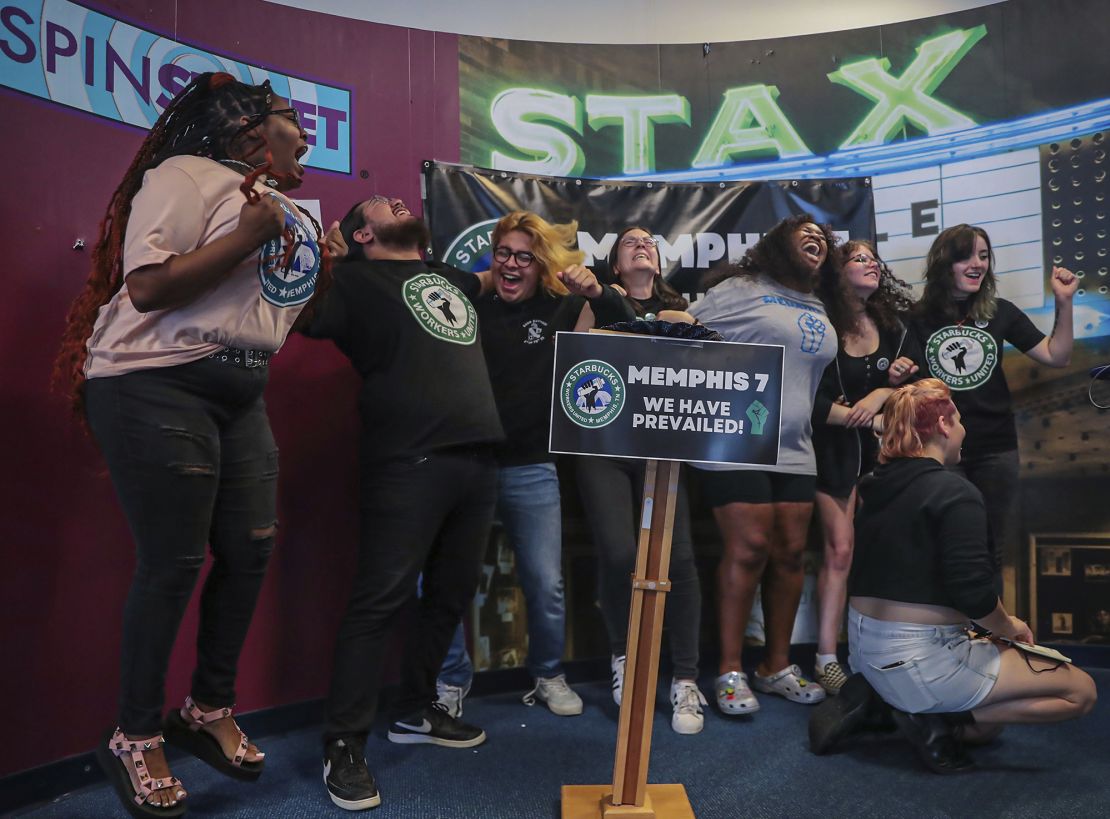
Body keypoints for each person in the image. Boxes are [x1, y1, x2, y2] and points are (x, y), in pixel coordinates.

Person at [54, 72, 337, 816]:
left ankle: (207, 706)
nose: (305, 134)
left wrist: (322, 257)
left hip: (238, 387)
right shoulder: (186, 176)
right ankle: (134, 733)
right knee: (174, 560)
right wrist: (248, 235)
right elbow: (146, 287)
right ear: (250, 134)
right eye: (290, 121)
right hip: (153, 381)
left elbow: (269, 307)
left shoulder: (283, 206)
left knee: (251, 547)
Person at [304, 195, 504, 812]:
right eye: (384, 205)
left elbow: (499, 276)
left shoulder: (443, 276)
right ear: (363, 233)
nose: (398, 202)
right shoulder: (354, 281)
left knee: (450, 595)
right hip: (409, 461)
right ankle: (343, 744)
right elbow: (298, 315)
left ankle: (417, 711)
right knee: (380, 600)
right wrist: (320, 258)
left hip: (478, 459)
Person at [434, 211, 634, 718]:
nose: (511, 264)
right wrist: (477, 278)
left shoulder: (560, 308)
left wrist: (595, 291)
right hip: (468, 464)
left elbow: (622, 324)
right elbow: (428, 288)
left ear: (539, 263)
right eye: (504, 253)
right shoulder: (468, 301)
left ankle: (547, 673)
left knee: (546, 582)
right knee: (443, 577)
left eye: (525, 256)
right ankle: (449, 679)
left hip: (531, 465)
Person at [843, 379, 1096, 772]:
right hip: (920, 660)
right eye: (958, 421)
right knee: (1080, 693)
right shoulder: (955, 492)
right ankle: (930, 718)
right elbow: (974, 594)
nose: (963, 431)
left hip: (863, 652)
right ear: (944, 425)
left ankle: (904, 708)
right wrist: (1010, 628)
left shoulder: (874, 484)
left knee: (988, 731)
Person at [688, 215, 854, 716]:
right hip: (736, 439)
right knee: (750, 547)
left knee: (788, 554)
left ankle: (775, 666)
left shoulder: (819, 304)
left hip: (797, 445)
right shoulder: (741, 289)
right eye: (804, 231)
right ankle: (730, 669)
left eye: (823, 237)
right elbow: (681, 331)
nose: (817, 238)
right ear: (779, 241)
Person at [575, 226, 708, 734]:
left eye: (648, 241)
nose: (641, 244)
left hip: (662, 449)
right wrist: (643, 320)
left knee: (679, 559)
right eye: (629, 241)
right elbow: (580, 352)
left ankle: (686, 678)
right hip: (605, 446)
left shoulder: (681, 310)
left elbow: (699, 363)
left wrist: (675, 321)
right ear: (614, 266)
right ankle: (623, 655)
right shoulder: (597, 300)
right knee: (616, 552)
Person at [905, 225, 1077, 591]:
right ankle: (946, 635)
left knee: (991, 546)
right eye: (967, 256)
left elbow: (1056, 356)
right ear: (944, 263)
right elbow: (903, 381)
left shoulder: (1001, 312)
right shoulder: (915, 318)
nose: (978, 264)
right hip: (937, 449)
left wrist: (1064, 302)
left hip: (995, 448)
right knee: (944, 542)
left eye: (984, 256)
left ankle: (988, 637)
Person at [809, 240, 917, 693]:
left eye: (874, 258)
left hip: (884, 459)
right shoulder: (818, 324)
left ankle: (877, 652)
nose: (871, 263)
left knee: (881, 553)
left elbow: (918, 387)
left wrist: (882, 394)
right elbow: (804, 402)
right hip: (829, 453)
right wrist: (864, 414)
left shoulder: (893, 326)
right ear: (837, 269)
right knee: (839, 551)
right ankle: (826, 658)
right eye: (859, 258)